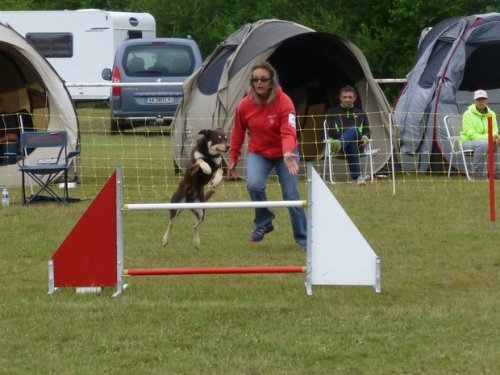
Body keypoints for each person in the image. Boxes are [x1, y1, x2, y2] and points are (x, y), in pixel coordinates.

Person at [228, 62, 307, 250]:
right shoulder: (245, 105)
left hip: (285, 153)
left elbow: (289, 131)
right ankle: (264, 221)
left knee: (291, 195)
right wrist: (233, 157)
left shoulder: (284, 102)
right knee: (254, 184)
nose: (259, 83)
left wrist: (288, 152)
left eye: (263, 79)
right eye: (255, 79)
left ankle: (304, 240)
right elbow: (237, 132)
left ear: (272, 81)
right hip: (259, 152)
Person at [325, 85, 370, 186]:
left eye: (350, 97)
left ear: (355, 98)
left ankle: (341, 143)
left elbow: (367, 131)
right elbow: (331, 131)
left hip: (357, 145)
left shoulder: (361, 113)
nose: (347, 99)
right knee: (351, 142)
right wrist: (344, 139)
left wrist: (366, 138)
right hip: (338, 144)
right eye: (345, 97)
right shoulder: (332, 112)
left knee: (353, 130)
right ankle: (359, 178)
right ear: (340, 98)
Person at [460, 89, 500, 180]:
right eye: (478, 99)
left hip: (485, 142)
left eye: (483, 99)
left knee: (496, 142)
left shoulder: (491, 114)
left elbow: (494, 130)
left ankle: (494, 172)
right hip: (467, 142)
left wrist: (495, 137)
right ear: (474, 101)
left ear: (487, 100)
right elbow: (471, 135)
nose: (481, 101)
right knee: (483, 143)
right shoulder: (467, 114)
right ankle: (478, 174)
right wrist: (489, 138)